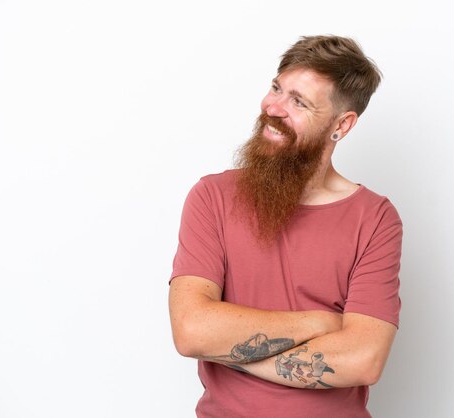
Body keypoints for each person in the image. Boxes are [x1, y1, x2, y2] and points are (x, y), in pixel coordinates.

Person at [168, 35, 403, 418]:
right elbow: (192, 330)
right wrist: (322, 323)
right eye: (277, 87)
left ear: (341, 125)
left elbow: (363, 359)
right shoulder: (212, 196)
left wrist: (231, 351)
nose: (273, 107)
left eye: (299, 101)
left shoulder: (375, 218)